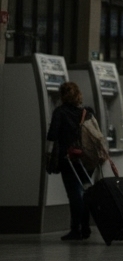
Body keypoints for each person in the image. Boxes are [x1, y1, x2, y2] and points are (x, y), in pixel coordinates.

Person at [46, 81, 96, 241]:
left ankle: (76, 230)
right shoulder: (87, 112)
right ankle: (86, 227)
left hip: (69, 158)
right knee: (86, 192)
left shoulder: (60, 112)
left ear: (62, 96)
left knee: (74, 194)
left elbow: (52, 135)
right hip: (87, 158)